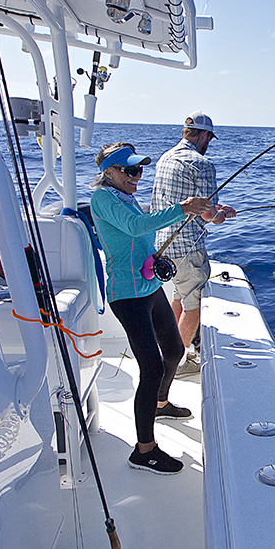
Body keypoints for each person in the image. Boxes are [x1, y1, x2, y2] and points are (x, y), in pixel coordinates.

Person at [90, 141, 216, 474]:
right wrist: (182, 208)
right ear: (110, 173)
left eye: (140, 169)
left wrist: (209, 212)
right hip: (127, 295)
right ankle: (144, 450)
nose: (137, 175)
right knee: (151, 367)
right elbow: (135, 228)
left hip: (149, 287)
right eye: (130, 170)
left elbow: (144, 230)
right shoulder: (102, 198)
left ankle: (159, 404)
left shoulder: (126, 198)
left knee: (174, 349)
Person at [151, 112, 236, 376]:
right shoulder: (203, 164)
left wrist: (213, 208)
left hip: (163, 243)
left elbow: (182, 201)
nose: (208, 142)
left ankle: (168, 349)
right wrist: (221, 215)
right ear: (203, 135)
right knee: (194, 304)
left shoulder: (166, 158)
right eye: (208, 137)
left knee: (178, 294)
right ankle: (175, 363)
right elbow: (209, 216)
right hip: (188, 247)